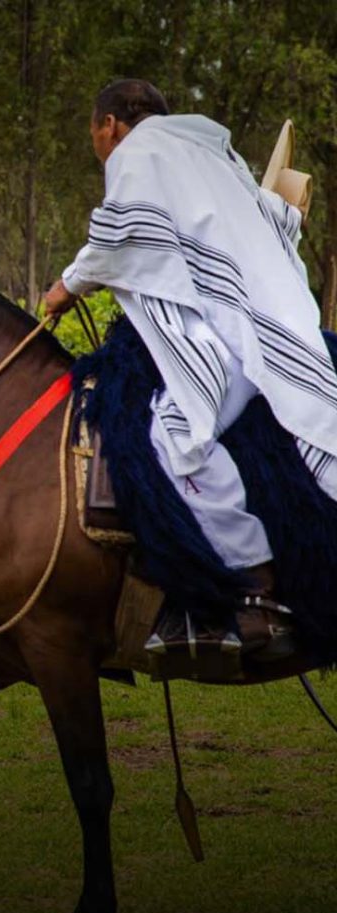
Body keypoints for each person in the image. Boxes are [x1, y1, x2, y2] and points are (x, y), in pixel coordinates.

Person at [43, 79, 337, 659]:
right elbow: (269, 221)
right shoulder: (211, 153)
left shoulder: (138, 152)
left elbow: (121, 229)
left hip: (227, 335)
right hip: (271, 324)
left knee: (174, 436)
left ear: (109, 125)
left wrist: (64, 288)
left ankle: (254, 587)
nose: (98, 146)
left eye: (94, 134)